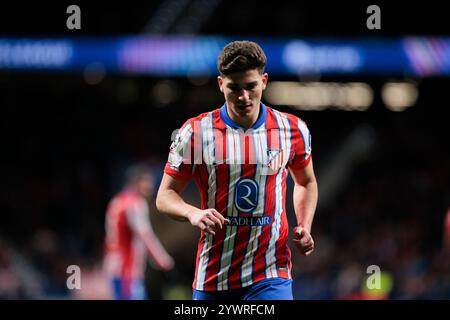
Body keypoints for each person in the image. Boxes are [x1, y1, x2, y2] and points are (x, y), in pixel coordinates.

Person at [156, 41, 318, 300]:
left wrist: (304, 225)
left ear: (264, 81)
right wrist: (192, 213)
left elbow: (306, 182)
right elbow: (165, 195)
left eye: (251, 86)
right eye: (234, 88)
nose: (244, 97)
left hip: (271, 272)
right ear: (221, 84)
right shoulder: (196, 132)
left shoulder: (292, 130)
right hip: (214, 276)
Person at [103, 164, 174, 300]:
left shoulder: (116, 201)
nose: (151, 186)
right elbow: (145, 235)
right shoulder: (135, 203)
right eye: (147, 181)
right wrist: (164, 261)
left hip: (112, 267)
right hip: (128, 271)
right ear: (136, 182)